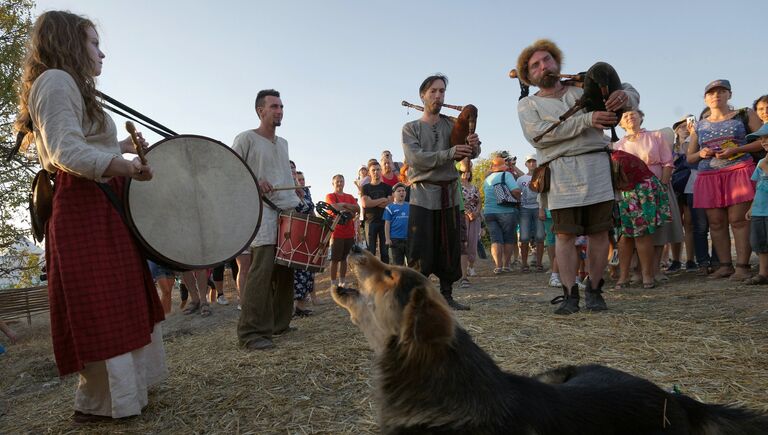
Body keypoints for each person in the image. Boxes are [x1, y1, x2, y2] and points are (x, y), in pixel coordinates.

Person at [14, 11, 166, 422]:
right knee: (104, 302)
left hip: (98, 202)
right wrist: (127, 168)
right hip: (84, 206)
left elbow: (86, 144)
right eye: (94, 43)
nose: (102, 53)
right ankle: (104, 405)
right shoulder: (56, 81)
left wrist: (124, 150)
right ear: (69, 43)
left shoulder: (68, 85)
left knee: (119, 296)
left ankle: (125, 396)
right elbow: (66, 153)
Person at [516, 39, 638, 314]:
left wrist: (624, 97)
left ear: (557, 62)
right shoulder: (528, 104)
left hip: (596, 164)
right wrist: (587, 119)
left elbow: (628, 89)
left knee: (598, 233)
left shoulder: (581, 87)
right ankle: (571, 295)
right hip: (560, 173)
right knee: (564, 235)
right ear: (529, 76)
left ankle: (594, 290)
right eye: (535, 65)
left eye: (547, 59)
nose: (543, 66)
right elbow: (540, 135)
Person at [401, 74, 480, 310]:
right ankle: (419, 299)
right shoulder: (410, 128)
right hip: (423, 195)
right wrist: (449, 153)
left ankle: (447, 295)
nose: (438, 95)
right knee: (420, 247)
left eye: (442, 91)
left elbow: (468, 153)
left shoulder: (451, 125)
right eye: (433, 91)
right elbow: (416, 159)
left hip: (449, 195)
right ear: (422, 95)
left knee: (450, 246)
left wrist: (474, 146)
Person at [233, 89, 300, 351]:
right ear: (261, 111)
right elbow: (232, 170)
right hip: (262, 212)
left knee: (286, 269)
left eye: (281, 106)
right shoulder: (246, 138)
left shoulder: (283, 143)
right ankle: (250, 332)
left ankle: (279, 324)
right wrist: (254, 181)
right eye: (274, 106)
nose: (279, 111)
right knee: (261, 271)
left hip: (287, 210)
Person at [686, 80, 763, 280]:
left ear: (730, 94)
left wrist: (736, 149)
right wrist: (702, 153)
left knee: (738, 220)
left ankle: (743, 266)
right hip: (709, 175)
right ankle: (725, 265)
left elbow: (762, 142)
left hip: (738, 171)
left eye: (721, 91)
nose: (716, 95)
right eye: (711, 93)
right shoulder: (700, 126)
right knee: (716, 223)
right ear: (705, 98)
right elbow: (689, 157)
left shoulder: (744, 114)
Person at [615, 110, 684, 283]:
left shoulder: (656, 136)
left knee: (658, 230)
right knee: (635, 231)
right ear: (620, 123)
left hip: (656, 187)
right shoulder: (617, 145)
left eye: (633, 114)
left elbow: (668, 162)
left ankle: (655, 270)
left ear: (641, 117)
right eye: (625, 116)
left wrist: (663, 185)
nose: (629, 117)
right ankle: (637, 271)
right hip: (630, 192)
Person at [483, 156, 522, 274]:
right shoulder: (507, 175)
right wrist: (517, 198)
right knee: (509, 239)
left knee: (496, 239)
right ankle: (506, 265)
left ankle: (498, 266)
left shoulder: (487, 178)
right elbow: (516, 190)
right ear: (503, 166)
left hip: (489, 212)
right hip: (506, 211)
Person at [325, 174, 360, 286]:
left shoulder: (349, 196)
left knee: (345, 258)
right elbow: (333, 207)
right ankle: (333, 283)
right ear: (333, 184)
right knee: (335, 259)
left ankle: (342, 281)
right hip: (337, 233)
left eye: (341, 181)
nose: (340, 183)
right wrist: (348, 206)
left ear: (344, 182)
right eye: (337, 181)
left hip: (349, 232)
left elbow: (357, 209)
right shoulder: (330, 196)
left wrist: (343, 205)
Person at [517, 155, 546, 272]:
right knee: (524, 237)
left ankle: (539, 264)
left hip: (538, 208)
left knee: (540, 236)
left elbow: (544, 194)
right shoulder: (521, 179)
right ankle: (524, 264)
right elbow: (517, 194)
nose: (532, 164)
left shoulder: (542, 177)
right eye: (529, 161)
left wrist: (542, 208)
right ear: (526, 164)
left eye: (534, 161)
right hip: (524, 209)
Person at [745, 135, 768, 284]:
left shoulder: (764, 164)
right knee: (760, 242)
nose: (764, 141)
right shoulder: (761, 162)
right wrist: (752, 207)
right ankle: (763, 273)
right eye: (762, 138)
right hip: (759, 209)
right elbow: (758, 187)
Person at [293, 170, 316, 317]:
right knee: (296, 273)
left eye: (302, 179)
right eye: (298, 179)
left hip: (309, 234)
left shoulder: (306, 191)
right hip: (294, 234)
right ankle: (291, 309)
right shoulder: (287, 191)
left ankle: (301, 308)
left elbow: (311, 210)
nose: (301, 181)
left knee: (307, 271)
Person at [361, 161, 393, 263]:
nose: (376, 172)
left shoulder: (387, 187)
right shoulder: (365, 188)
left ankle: (385, 277)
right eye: (373, 170)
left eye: (378, 169)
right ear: (369, 173)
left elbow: (390, 203)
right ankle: (372, 277)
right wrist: (382, 200)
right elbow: (365, 204)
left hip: (385, 222)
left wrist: (372, 202)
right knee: (371, 253)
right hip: (370, 223)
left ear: (381, 171)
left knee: (385, 252)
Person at [459, 159, 482, 278]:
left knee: (473, 241)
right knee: (464, 241)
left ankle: (471, 266)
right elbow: (459, 202)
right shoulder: (458, 187)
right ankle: (461, 268)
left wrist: (476, 213)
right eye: (464, 172)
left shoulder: (474, 187)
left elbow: (479, 202)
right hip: (463, 217)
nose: (466, 174)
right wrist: (467, 213)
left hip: (475, 217)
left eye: (468, 172)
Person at [384, 182, 410, 265]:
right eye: (399, 191)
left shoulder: (410, 206)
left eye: (403, 190)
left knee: (411, 263)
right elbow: (387, 224)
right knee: (398, 265)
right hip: (395, 240)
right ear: (393, 194)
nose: (401, 192)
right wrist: (387, 239)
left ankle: (409, 278)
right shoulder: (389, 207)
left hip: (408, 239)